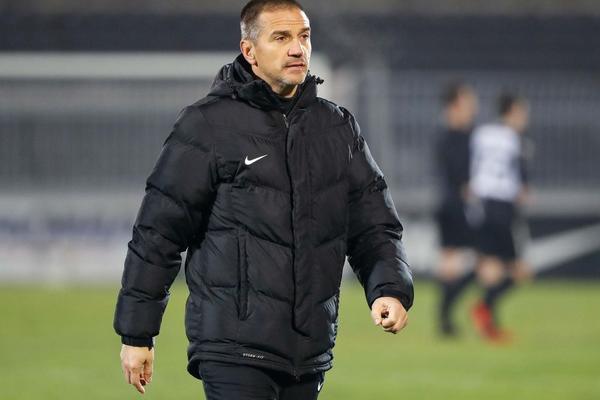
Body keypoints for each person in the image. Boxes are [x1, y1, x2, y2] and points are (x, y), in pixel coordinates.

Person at [113, 1, 414, 399]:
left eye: (304, 36)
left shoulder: (337, 128)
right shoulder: (207, 125)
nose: (297, 49)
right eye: (281, 37)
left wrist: (388, 287)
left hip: (308, 354)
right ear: (249, 51)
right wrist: (137, 333)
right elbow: (158, 233)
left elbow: (374, 225)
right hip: (233, 349)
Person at [469, 92, 531, 342]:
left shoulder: (482, 134)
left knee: (490, 269)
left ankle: (489, 324)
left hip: (481, 205)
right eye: (522, 112)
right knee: (520, 271)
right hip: (503, 206)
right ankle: (483, 307)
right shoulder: (516, 140)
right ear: (512, 111)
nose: (525, 118)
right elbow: (521, 182)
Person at [434, 82, 479, 337]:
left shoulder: (472, 136)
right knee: (470, 261)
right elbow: (457, 175)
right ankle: (445, 317)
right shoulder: (450, 138)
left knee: (462, 264)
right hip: (455, 206)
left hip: (458, 204)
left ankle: (444, 316)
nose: (472, 107)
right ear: (454, 106)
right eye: (467, 102)